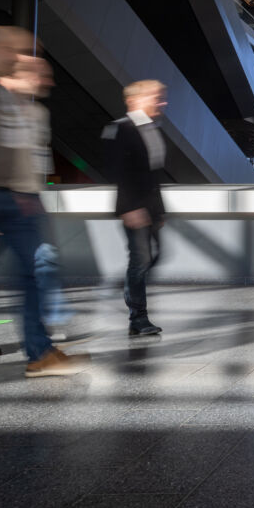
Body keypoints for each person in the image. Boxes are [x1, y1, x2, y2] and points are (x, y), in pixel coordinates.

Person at [0, 24, 86, 376]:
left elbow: (12, 151)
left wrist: (23, 193)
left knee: (34, 269)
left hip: (10, 198)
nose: (14, 57)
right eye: (8, 49)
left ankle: (39, 352)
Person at [102, 80, 168, 336]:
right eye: (156, 97)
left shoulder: (154, 130)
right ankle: (138, 318)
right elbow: (115, 171)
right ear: (134, 100)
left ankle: (130, 288)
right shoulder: (119, 128)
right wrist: (129, 208)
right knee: (140, 260)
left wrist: (159, 212)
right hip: (133, 209)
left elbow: (154, 176)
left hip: (151, 210)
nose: (162, 102)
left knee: (154, 257)